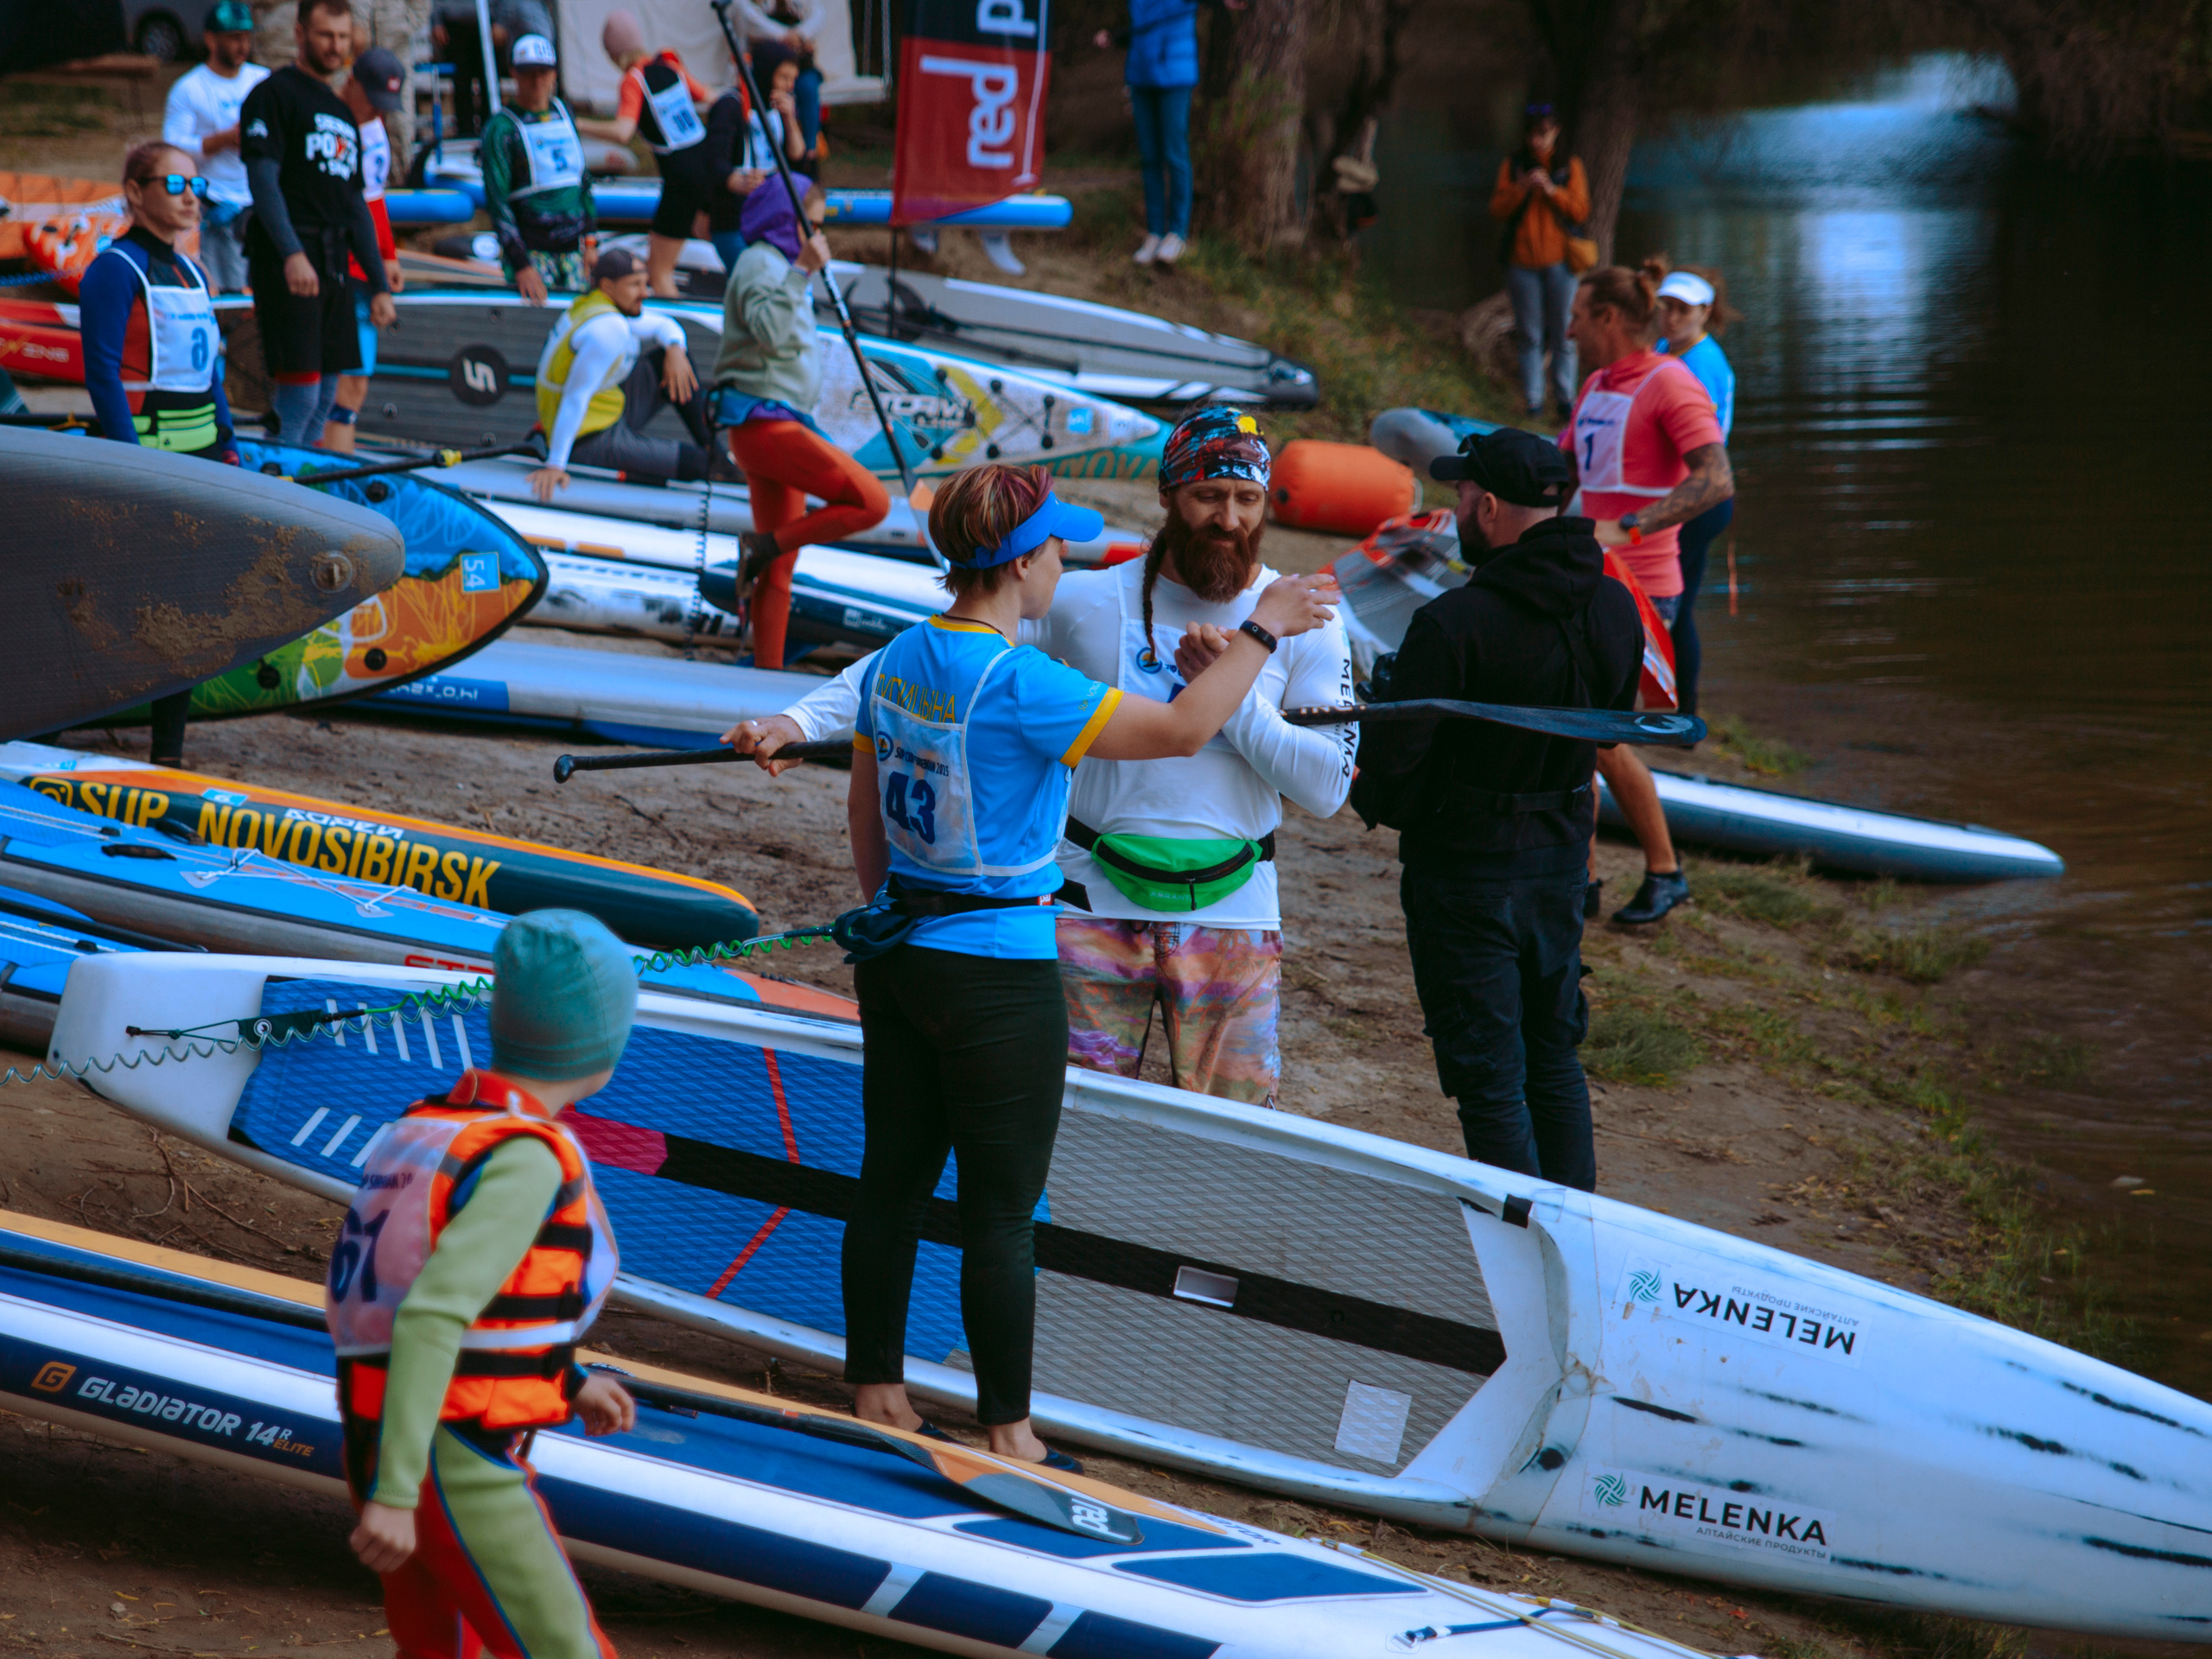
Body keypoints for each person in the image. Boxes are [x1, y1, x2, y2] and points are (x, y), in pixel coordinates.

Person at [830, 463, 1339, 1464]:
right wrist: (1264, 630)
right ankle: (1008, 1430)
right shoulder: (1026, 684)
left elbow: (864, 811)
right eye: (1056, 548)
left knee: (888, 1184)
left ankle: (876, 1390)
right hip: (997, 971)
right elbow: (1188, 726)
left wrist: (891, 906)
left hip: (899, 953)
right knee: (1001, 1212)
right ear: (1021, 566)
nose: (1066, 561)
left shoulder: (894, 660)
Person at [734, 407, 1357, 1108]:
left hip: (1234, 914)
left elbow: (1327, 789)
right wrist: (798, 718)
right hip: (1086, 903)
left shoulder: (1300, 618)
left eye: (1248, 499)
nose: (1229, 518)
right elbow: (940, 652)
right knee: (1066, 1121)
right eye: (1208, 496)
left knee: (1236, 1141)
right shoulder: (1084, 598)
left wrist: (1237, 686)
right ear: (1168, 497)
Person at [331, 910, 633, 1659]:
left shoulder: (430, 1125)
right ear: (601, 1041)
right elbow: (432, 1313)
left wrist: (565, 1381)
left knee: (443, 1650)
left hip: (388, 1430)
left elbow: (444, 1304)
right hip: (446, 1449)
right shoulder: (527, 1157)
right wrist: (401, 1493)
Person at [1350, 429, 1641, 1189]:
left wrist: (1381, 792)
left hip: (1465, 873)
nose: (1455, 510)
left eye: (1461, 497)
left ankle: (1523, 1243)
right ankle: (1577, 1228)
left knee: (1488, 1078)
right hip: (1557, 868)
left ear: (1490, 506)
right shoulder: (1615, 605)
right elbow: (1612, 724)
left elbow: (1391, 767)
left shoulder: (1453, 621)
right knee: (1552, 1057)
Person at [1562, 261, 1734, 925]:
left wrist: (1629, 525)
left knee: (1595, 735)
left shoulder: (1671, 383)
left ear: (1607, 319)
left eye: (1578, 315)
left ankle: (1662, 871)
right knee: (1579, 729)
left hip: (1644, 592)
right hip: (1588, 579)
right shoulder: (1601, 383)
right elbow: (1566, 464)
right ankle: (1588, 881)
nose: (1570, 328)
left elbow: (1716, 479)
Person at [79, 143, 241, 770]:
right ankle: (58, 727)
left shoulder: (193, 272)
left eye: (194, 183)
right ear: (134, 193)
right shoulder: (115, 269)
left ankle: (167, 757)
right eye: (172, 182)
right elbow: (101, 375)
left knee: (187, 613)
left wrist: (228, 443)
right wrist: (132, 465)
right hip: (149, 468)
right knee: (127, 605)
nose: (188, 193)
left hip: (200, 464)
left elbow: (209, 374)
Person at [710, 182, 889, 670]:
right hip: (763, 423)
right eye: (811, 222)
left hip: (779, 420)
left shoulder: (781, 266)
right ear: (784, 216)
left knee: (780, 571)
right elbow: (767, 330)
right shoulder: (759, 263)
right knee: (872, 502)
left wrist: (800, 272)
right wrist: (803, 270)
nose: (817, 233)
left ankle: (766, 677)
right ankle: (760, 545)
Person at [241, 0, 396, 447]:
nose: (335, 46)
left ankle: (303, 496)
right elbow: (262, 181)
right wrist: (291, 253)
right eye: (326, 35)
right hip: (290, 262)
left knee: (327, 397)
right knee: (301, 397)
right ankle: (272, 498)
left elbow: (355, 206)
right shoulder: (273, 94)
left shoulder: (344, 112)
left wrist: (380, 284)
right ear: (301, 33)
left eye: (343, 38)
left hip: (334, 268)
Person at [530, 246, 714, 504]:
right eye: (635, 285)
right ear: (607, 286)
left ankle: (715, 449)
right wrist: (555, 465)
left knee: (670, 359)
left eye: (645, 283)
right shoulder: (608, 329)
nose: (645, 292)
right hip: (588, 440)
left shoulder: (593, 304)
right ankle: (717, 466)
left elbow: (664, 325)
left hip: (609, 409)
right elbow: (575, 397)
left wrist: (675, 349)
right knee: (697, 465)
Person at [578, 11, 715, 300]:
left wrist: (576, 123)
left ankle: (683, 334)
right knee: (710, 235)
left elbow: (623, 132)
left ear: (613, 52)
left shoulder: (633, 79)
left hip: (681, 179)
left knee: (658, 273)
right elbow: (711, 97)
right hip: (709, 167)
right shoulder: (671, 66)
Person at [1653, 263, 1737, 721]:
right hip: (1680, 497)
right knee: (1668, 603)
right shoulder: (1667, 347)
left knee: (1677, 608)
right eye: (1666, 307)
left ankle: (1685, 713)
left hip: (1699, 502)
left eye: (1682, 310)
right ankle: (1665, 701)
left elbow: (1695, 446)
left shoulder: (1702, 366)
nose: (1670, 317)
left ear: (1704, 312)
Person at [1093, 0, 1233, 266]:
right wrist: (1115, 36)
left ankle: (1177, 234)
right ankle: (1154, 233)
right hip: (1140, 72)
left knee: (1175, 154)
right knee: (1149, 158)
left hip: (1175, 73)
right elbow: (1143, 26)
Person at [321, 44, 407, 454]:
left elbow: (374, 201)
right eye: (372, 102)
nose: (378, 113)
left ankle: (337, 476)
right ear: (350, 81)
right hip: (327, 266)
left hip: (363, 268)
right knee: (326, 387)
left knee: (354, 386)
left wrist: (386, 256)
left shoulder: (375, 130)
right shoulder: (322, 120)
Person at [477, 33, 596, 305]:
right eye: (528, 73)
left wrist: (591, 240)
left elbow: (583, 181)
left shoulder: (564, 113)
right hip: (533, 253)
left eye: (544, 72)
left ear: (554, 73)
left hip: (574, 253)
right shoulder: (502, 128)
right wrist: (521, 265)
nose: (537, 80)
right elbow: (498, 202)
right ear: (514, 74)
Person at [1489, 104, 1590, 419]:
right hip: (1522, 265)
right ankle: (1533, 402)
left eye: (1544, 134)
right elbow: (1497, 209)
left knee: (1564, 333)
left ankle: (1565, 400)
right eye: (1533, 134)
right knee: (1530, 334)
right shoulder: (1513, 165)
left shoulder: (1569, 166)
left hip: (1561, 263)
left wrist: (1551, 190)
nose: (1538, 141)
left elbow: (1580, 211)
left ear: (1556, 131)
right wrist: (1521, 188)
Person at [159, 0, 267, 295]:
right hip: (216, 201)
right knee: (226, 288)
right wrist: (222, 140)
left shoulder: (262, 80)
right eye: (234, 38)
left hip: (258, 199)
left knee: (262, 285)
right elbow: (172, 149)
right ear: (210, 39)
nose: (242, 45)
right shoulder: (189, 88)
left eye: (246, 37)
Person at [702, 41, 806, 275]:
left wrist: (789, 119)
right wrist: (735, 180)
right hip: (734, 220)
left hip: (770, 218)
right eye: (783, 77)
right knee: (755, 278)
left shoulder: (782, 108)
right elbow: (713, 161)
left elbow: (797, 156)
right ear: (767, 72)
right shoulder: (730, 105)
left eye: (793, 79)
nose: (789, 86)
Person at [430, 0, 554, 138]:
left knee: (489, 82)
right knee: (461, 83)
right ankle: (465, 131)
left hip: (488, 21)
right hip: (455, 20)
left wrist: (501, 21)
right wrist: (436, 20)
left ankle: (492, 130)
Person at [732, 0, 826, 156]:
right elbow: (750, 19)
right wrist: (785, 36)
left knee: (808, 87)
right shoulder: (752, 4)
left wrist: (801, 35)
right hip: (765, 66)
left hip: (799, 65)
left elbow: (818, 14)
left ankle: (809, 152)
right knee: (769, 92)